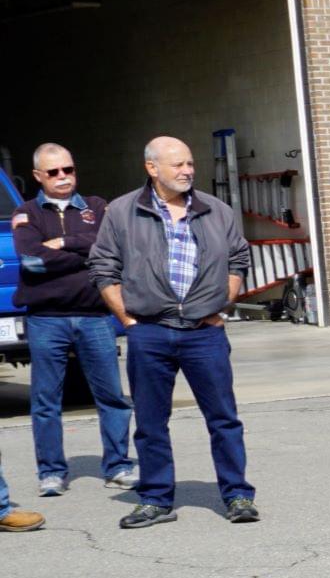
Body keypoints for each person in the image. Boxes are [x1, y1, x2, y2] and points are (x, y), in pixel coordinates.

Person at [90, 136, 257, 528]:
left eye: (189, 164)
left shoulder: (216, 210)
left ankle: (237, 495)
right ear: (152, 168)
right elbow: (102, 267)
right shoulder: (122, 212)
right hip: (150, 331)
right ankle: (156, 499)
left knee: (223, 419)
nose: (187, 171)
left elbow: (238, 258)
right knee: (150, 423)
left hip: (204, 333)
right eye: (178, 165)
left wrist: (222, 305)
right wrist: (128, 320)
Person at [10, 143, 135, 496]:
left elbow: (113, 246)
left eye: (69, 169)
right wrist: (84, 254)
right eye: (53, 172)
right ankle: (51, 472)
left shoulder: (97, 207)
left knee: (112, 396)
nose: (63, 177)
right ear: (38, 176)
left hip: (95, 318)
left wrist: (62, 242)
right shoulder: (26, 213)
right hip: (46, 320)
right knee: (46, 402)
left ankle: (118, 466)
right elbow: (32, 260)